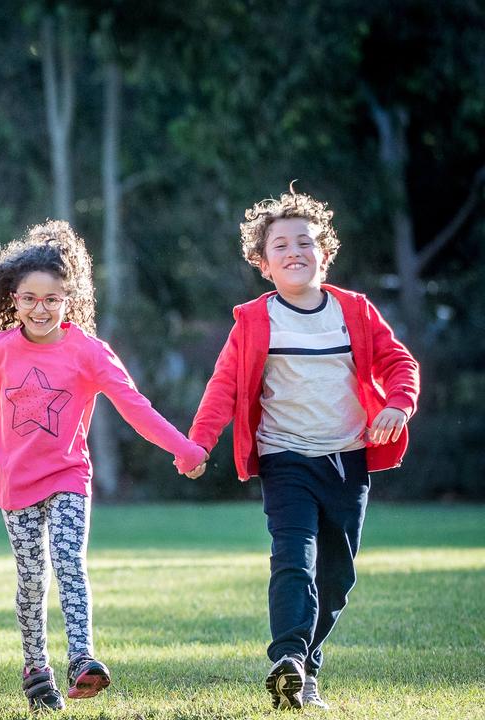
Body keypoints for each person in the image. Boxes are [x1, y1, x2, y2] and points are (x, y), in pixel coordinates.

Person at [0, 221, 208, 712]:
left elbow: (136, 407)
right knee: (31, 578)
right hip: (15, 482)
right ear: (13, 299)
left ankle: (83, 660)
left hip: (69, 475)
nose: (40, 308)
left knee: (69, 562)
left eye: (52, 298)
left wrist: (183, 448)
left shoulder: (88, 352)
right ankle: (36, 666)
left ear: (70, 298)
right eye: (29, 298)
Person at [187, 188, 419, 710]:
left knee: (337, 576)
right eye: (281, 245)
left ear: (325, 254)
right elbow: (223, 388)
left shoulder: (354, 310)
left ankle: (307, 666)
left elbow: (399, 365)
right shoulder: (252, 321)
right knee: (293, 557)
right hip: (284, 458)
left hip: (346, 458)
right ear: (263, 263)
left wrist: (397, 406)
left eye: (305, 242)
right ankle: (287, 656)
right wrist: (198, 444)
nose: (295, 251)